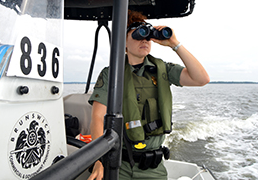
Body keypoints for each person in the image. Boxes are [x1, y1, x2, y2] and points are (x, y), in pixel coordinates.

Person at [87, 10, 210, 180]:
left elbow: (201, 79)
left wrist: (174, 43)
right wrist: (98, 159)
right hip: (120, 165)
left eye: (147, 35)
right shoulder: (112, 74)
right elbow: (98, 118)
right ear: (123, 43)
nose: (145, 39)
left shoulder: (162, 70)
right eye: (138, 34)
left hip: (154, 167)